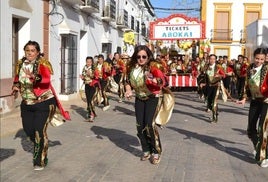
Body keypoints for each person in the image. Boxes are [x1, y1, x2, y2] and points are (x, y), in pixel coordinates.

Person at [11, 40, 70, 170]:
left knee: (39, 131)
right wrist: (16, 86)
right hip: (27, 103)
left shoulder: (43, 64)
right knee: (29, 131)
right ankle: (42, 144)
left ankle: (40, 160)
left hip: (44, 103)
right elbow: (17, 78)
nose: (30, 53)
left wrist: (34, 77)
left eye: (32, 51)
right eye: (27, 50)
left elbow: (46, 79)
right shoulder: (21, 64)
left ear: (37, 52)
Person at [124, 45, 167, 165]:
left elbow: (163, 80)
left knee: (150, 125)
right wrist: (128, 90)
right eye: (138, 57)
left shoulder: (153, 67)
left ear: (148, 57)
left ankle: (156, 151)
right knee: (139, 125)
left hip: (152, 98)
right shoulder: (131, 67)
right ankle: (146, 149)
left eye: (144, 56)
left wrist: (155, 81)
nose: (141, 59)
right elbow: (127, 81)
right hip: (139, 98)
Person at [237, 47, 268, 168]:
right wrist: (244, 97)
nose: (259, 61)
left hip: (266, 101)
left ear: (265, 58)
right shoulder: (250, 68)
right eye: (257, 58)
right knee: (250, 129)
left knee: (262, 130)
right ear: (253, 57)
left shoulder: (267, 68)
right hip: (255, 101)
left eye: (262, 59)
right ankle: (259, 148)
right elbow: (246, 84)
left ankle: (263, 156)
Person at [202, 54, 225, 122]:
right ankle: (214, 110)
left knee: (214, 102)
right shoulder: (206, 67)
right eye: (210, 59)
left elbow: (224, 75)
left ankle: (214, 117)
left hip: (216, 86)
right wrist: (202, 83)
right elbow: (203, 76)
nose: (212, 60)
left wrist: (219, 75)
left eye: (213, 59)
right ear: (208, 59)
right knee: (209, 101)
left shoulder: (218, 67)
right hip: (208, 86)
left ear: (215, 60)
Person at [80, 56, 100, 122]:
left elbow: (96, 76)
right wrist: (82, 77)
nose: (88, 63)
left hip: (93, 85)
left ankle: (92, 115)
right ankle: (91, 113)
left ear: (92, 62)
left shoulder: (94, 68)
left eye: (90, 62)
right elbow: (84, 76)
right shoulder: (84, 67)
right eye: (87, 62)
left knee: (91, 100)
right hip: (86, 85)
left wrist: (90, 74)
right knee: (88, 100)